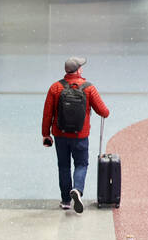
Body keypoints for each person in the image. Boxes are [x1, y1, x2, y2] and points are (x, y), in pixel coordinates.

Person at [42, 55, 110, 212]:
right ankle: (77, 190)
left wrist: (46, 134)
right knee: (81, 164)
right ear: (78, 70)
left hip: (60, 134)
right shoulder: (88, 87)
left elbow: (47, 114)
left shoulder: (55, 88)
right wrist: (105, 112)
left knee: (63, 166)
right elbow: (103, 112)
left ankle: (66, 201)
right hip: (80, 135)